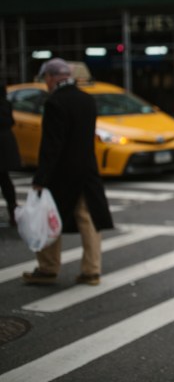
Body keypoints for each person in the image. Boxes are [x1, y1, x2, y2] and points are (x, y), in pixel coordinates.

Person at [22, 58, 113, 286]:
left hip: (62, 172)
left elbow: (52, 145)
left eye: (46, 79)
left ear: (52, 77)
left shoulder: (55, 103)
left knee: (48, 216)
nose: (46, 84)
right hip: (87, 168)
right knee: (88, 218)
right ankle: (92, 270)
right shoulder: (87, 99)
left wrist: (41, 177)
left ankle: (48, 268)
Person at [0, 83, 21, 227]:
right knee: (5, 179)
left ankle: (13, 211)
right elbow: (11, 121)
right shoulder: (6, 104)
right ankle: (13, 211)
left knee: (4, 180)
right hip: (6, 145)